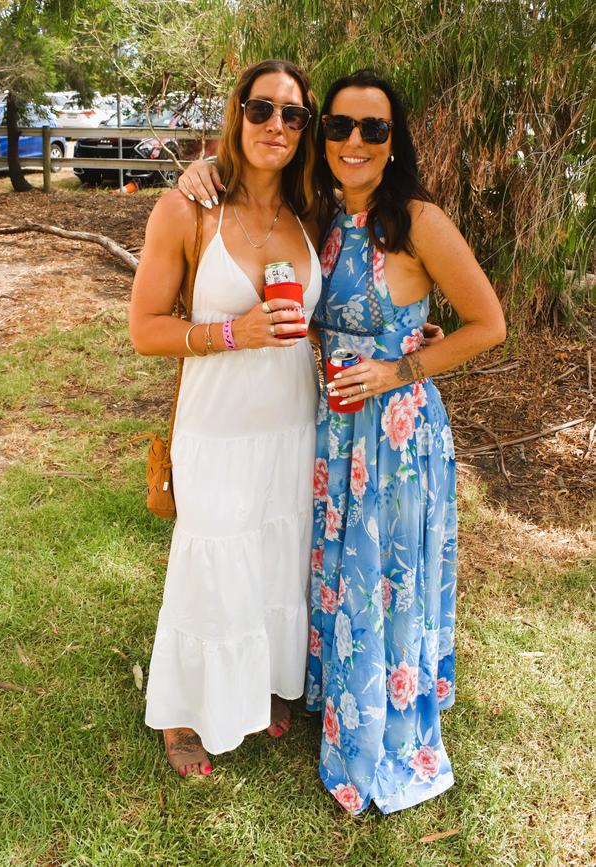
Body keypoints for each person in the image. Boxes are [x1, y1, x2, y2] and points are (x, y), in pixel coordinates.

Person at [178, 69, 506, 812]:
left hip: (394, 440)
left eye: (374, 129)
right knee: (336, 567)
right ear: (320, 136)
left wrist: (402, 364)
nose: (353, 141)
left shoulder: (418, 221)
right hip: (328, 431)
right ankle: (335, 696)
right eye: (338, 126)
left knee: (382, 579)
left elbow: (489, 323)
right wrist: (203, 165)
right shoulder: (315, 213)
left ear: (395, 144)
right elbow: (245, 193)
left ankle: (380, 728)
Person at [129, 59, 323, 778]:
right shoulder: (188, 209)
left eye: (293, 115)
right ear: (237, 113)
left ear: (306, 130)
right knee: (209, 558)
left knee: (273, 553)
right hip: (217, 425)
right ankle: (181, 712)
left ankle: (256, 684)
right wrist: (229, 333)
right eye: (262, 109)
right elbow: (145, 328)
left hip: (291, 418)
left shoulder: (311, 211)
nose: (277, 125)